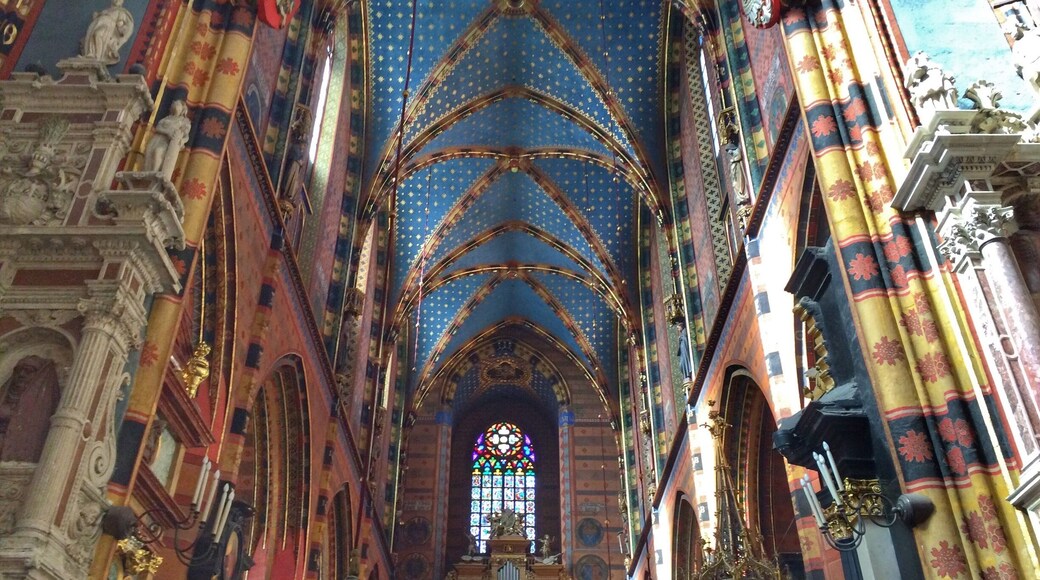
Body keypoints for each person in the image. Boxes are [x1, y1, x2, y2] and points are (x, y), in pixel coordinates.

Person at [0, 356, 61, 462]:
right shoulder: (4, 397)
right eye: (18, 371)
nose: (21, 375)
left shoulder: (41, 408)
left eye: (28, 371)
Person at [143, 101, 192, 181]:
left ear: (182, 109)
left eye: (177, 104)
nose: (175, 106)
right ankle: (147, 173)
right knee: (149, 152)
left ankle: (154, 174)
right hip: (158, 138)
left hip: (167, 141)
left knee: (158, 152)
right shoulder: (167, 118)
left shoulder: (184, 121)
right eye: (174, 104)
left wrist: (182, 141)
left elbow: (186, 136)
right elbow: (158, 127)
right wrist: (167, 132)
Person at [81, 0, 135, 65]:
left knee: (97, 35)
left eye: (119, 0)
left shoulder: (121, 12)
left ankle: (97, 56)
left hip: (108, 25)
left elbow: (120, 23)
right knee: (94, 35)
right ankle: (91, 53)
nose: (116, 1)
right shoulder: (108, 10)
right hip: (100, 24)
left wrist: (121, 29)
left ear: (122, 2)